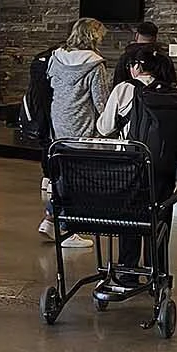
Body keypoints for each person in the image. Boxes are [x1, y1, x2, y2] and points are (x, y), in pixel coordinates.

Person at [97, 45, 177, 289]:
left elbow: (104, 127)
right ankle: (157, 275)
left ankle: (128, 273)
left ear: (137, 67)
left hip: (131, 167)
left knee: (130, 219)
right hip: (163, 170)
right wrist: (174, 156)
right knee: (159, 220)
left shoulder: (124, 89)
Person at [41, 17, 111, 249]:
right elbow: (101, 100)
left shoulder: (56, 58)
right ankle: (68, 229)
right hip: (82, 125)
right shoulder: (95, 65)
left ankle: (51, 218)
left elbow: (51, 87)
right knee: (78, 180)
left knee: (64, 175)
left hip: (59, 123)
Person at [111, 21, 165, 88]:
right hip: (157, 97)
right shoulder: (163, 58)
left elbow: (117, 85)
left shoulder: (125, 57)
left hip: (130, 96)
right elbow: (171, 85)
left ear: (136, 36)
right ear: (155, 38)